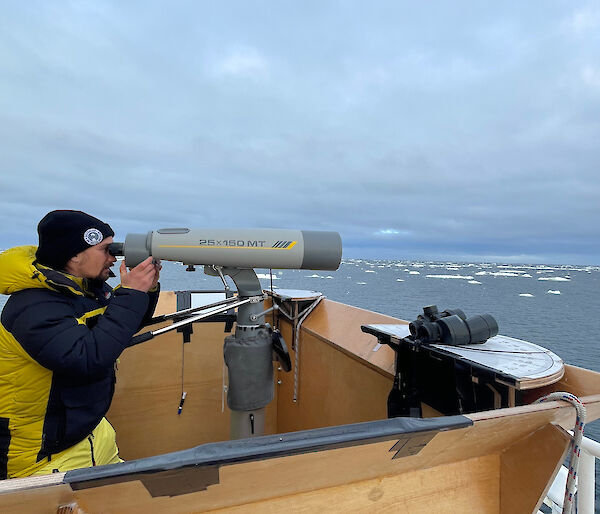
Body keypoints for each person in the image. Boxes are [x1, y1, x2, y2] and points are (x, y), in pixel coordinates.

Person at [0, 210, 161, 479]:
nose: (114, 257)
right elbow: (87, 358)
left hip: (92, 434)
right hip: (41, 455)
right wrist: (131, 293)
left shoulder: (83, 291)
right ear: (74, 255)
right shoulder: (33, 306)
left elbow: (120, 328)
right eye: (106, 249)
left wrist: (147, 289)